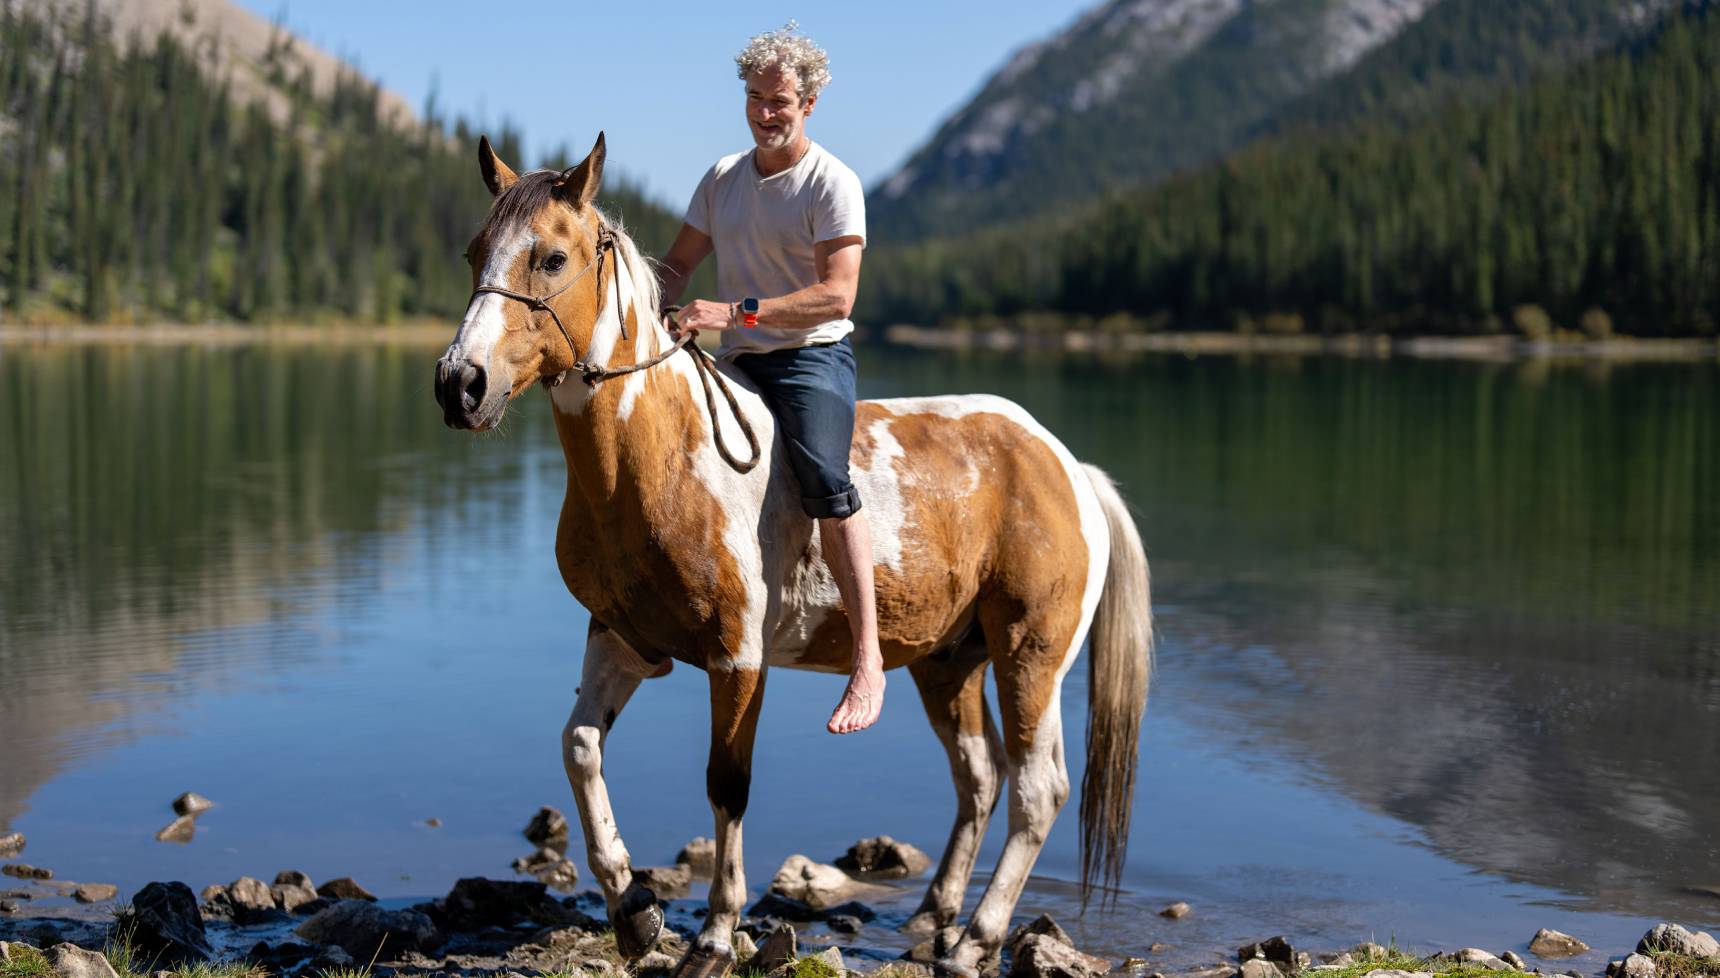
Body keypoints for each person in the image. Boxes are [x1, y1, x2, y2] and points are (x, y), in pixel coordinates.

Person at [658, 23, 883, 735]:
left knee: (823, 475)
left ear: (809, 102)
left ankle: (868, 660)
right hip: (739, 358)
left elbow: (838, 296)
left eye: (780, 100)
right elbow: (675, 266)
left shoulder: (832, 182)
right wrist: (641, 312)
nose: (765, 112)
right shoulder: (722, 179)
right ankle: (648, 624)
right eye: (755, 98)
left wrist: (732, 312)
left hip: (811, 356)